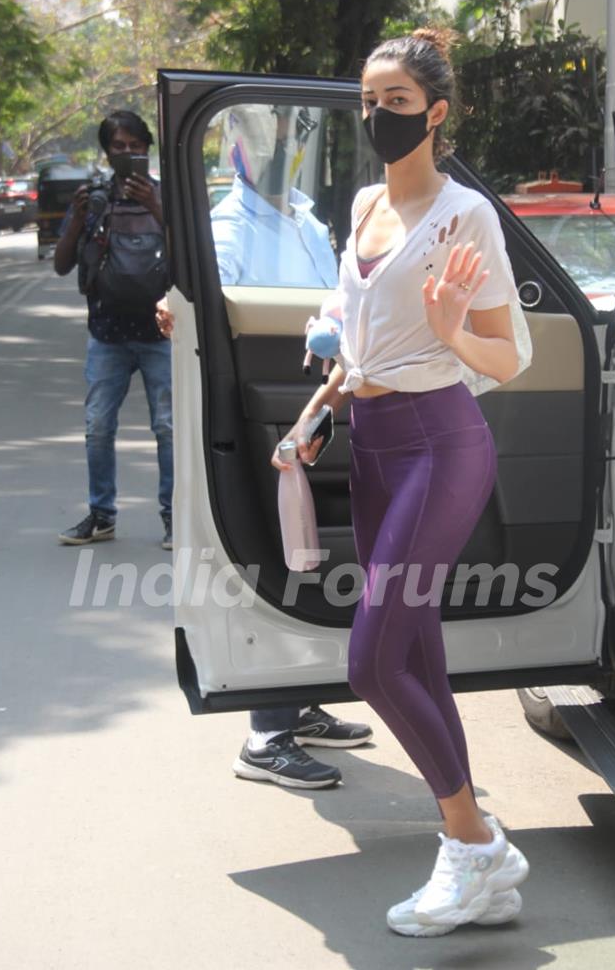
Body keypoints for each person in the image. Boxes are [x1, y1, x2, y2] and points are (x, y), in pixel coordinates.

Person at [271, 29, 531, 936]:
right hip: (372, 439)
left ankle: (477, 846)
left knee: (371, 658)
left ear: (438, 114)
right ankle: (477, 867)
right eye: (369, 101)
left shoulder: (467, 217)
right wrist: (315, 410)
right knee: (414, 652)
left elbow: (507, 355)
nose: (379, 116)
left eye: (397, 102)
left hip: (439, 442)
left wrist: (453, 325)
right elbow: (357, 330)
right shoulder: (365, 204)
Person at [157, 104, 373, 791]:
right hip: (265, 414)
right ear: (238, 150)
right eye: (265, 137)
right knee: (281, 556)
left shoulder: (307, 219)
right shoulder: (225, 227)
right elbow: (203, 318)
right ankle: (266, 735)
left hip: (315, 403)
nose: (281, 149)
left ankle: (298, 701)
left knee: (314, 554)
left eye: (291, 136)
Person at [55, 110, 173, 550]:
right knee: (98, 427)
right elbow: (63, 264)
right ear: (107, 153)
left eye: (134, 146)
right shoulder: (95, 198)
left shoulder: (167, 196)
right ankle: (101, 515)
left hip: (161, 332)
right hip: (107, 334)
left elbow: (197, 261)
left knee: (168, 428)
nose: (126, 154)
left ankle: (174, 517)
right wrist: (78, 215)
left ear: (147, 149)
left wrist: (157, 208)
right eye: (118, 147)